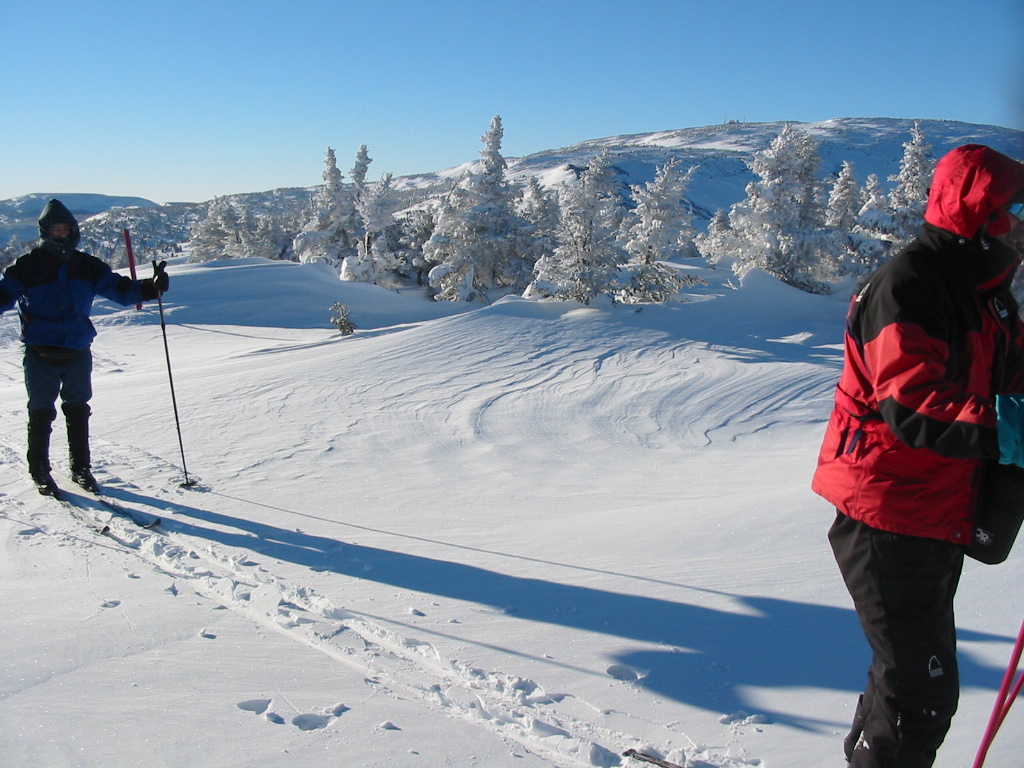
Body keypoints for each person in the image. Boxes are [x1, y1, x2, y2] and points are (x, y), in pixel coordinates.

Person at [812, 144, 1024, 768]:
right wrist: (1013, 428)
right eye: (1012, 211)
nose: (1018, 225)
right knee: (920, 698)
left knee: (902, 679)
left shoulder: (985, 291)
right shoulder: (909, 286)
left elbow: (1012, 373)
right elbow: (914, 405)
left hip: (936, 508)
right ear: (979, 214)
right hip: (886, 512)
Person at [0, 199, 169, 496]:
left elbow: (120, 290)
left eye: (66, 229)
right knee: (41, 413)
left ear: (74, 231)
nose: (61, 234)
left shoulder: (87, 266)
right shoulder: (26, 266)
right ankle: (39, 470)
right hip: (40, 351)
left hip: (77, 349)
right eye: (56, 230)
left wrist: (151, 288)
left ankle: (81, 469)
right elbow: (4, 295)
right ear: (46, 232)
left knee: (78, 411)